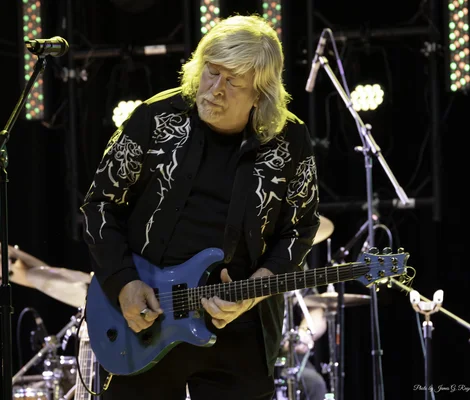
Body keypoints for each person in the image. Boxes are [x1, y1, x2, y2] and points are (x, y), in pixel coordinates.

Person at [80, 14, 320, 400]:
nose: (215, 89)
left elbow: (301, 228)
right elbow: (99, 205)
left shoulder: (289, 139)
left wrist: (255, 291)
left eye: (233, 81)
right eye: (211, 72)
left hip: (238, 330)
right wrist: (124, 282)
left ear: (260, 93)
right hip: (146, 319)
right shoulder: (154, 118)